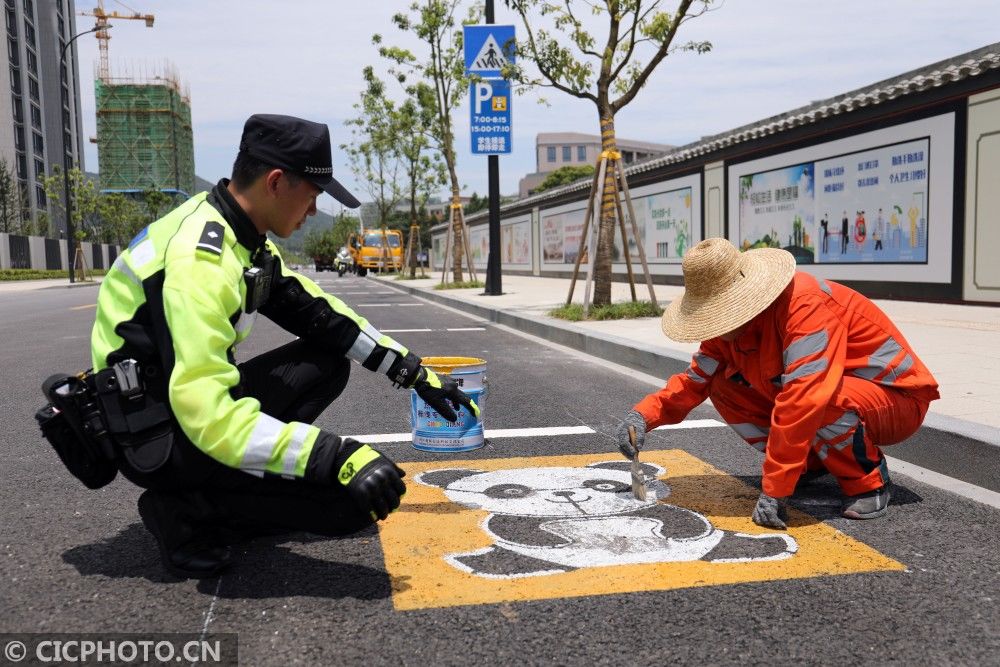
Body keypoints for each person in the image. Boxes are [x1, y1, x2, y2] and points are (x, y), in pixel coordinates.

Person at [89, 114, 479, 578]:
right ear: (276, 182)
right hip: (159, 436)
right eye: (312, 196)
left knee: (327, 360)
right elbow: (208, 416)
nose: (313, 211)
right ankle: (186, 511)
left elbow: (325, 317)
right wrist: (336, 457)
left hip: (183, 412)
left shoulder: (239, 237)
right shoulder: (200, 260)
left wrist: (417, 375)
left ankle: (231, 497)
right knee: (347, 507)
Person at [615, 238, 938, 529]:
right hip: (837, 396)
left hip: (895, 399)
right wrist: (643, 416)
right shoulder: (726, 332)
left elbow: (804, 397)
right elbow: (694, 381)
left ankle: (869, 482)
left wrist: (776, 487)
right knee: (722, 386)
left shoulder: (805, 305)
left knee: (822, 403)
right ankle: (811, 465)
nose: (715, 325)